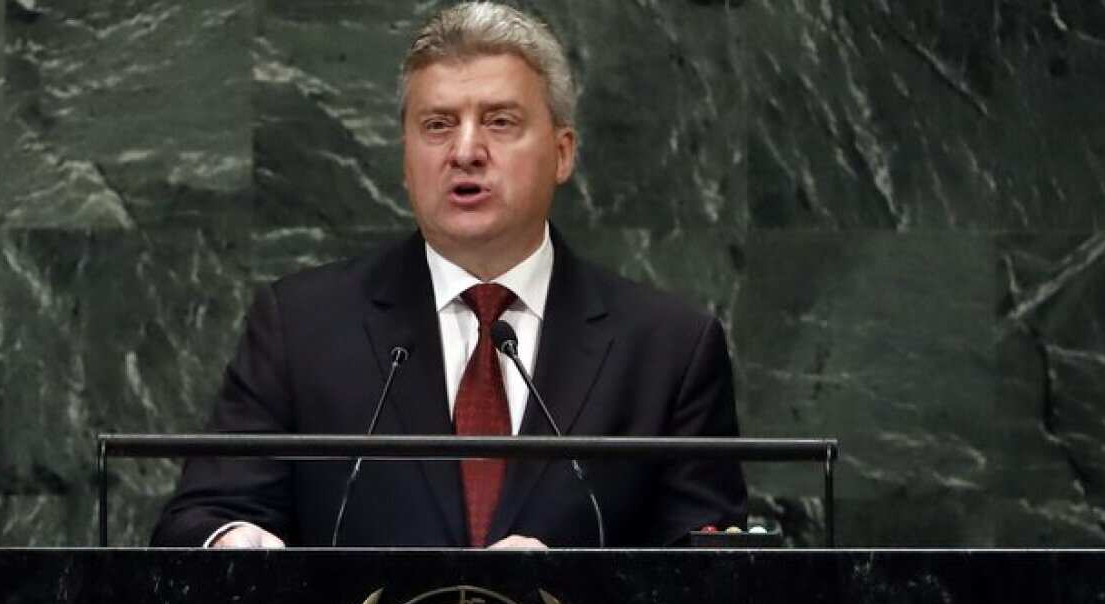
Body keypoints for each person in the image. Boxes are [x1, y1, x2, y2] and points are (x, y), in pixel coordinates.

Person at [151, 1, 745, 549]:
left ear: (563, 153)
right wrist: (231, 544)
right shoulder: (301, 327)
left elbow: (712, 580)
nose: (466, 150)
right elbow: (201, 515)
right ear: (406, 160)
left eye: (500, 121)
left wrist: (575, 592)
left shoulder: (668, 349)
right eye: (438, 125)